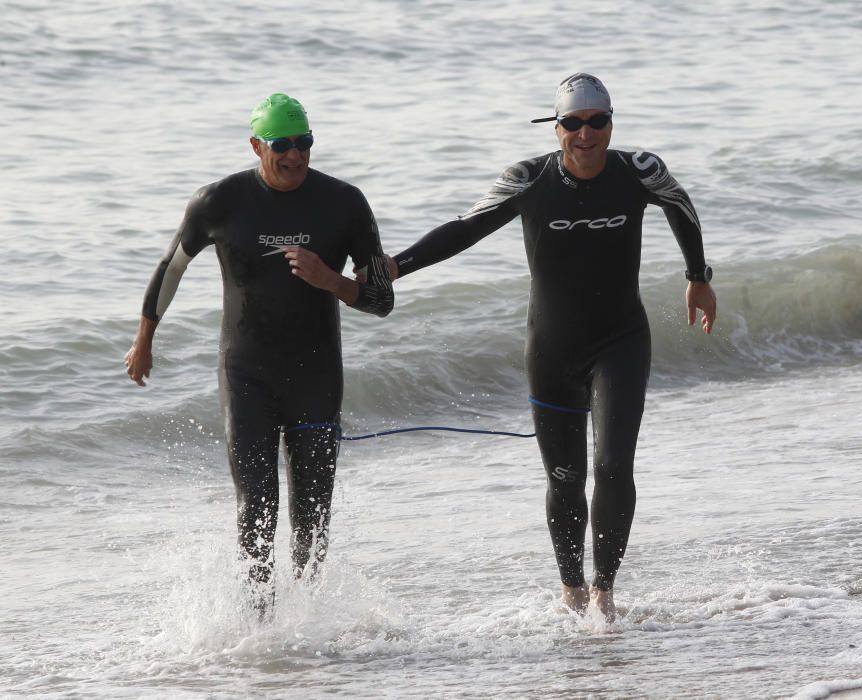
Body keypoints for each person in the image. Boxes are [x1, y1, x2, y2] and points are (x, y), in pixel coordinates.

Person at [387, 73, 716, 619]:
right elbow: (464, 229)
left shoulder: (639, 172)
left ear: (611, 123)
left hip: (621, 343)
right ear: (556, 127)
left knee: (613, 468)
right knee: (565, 481)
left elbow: (680, 206)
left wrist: (698, 276)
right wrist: (396, 266)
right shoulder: (528, 180)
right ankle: (571, 590)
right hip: (553, 352)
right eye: (573, 123)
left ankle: (605, 593)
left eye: (598, 122)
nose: (586, 135)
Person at [124, 93, 394, 609]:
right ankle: (260, 628)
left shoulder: (344, 203)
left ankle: (309, 624)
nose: (295, 155)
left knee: (312, 514)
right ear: (255, 145)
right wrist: (144, 340)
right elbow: (171, 267)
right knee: (257, 507)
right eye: (282, 145)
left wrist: (329, 279)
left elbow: (381, 299)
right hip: (246, 373)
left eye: (305, 143)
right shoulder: (219, 202)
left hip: (316, 376)